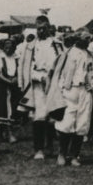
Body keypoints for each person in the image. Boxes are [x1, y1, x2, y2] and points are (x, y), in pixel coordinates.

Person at [48, 30, 93, 167]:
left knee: (82, 124)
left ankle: (74, 155)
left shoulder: (90, 55)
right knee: (66, 123)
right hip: (70, 90)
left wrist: (92, 87)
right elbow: (57, 72)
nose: (88, 40)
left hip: (85, 92)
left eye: (89, 38)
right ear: (77, 39)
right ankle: (62, 153)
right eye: (85, 38)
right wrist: (60, 90)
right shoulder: (68, 54)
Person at [18, 14, 63, 159]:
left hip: (54, 82)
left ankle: (50, 146)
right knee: (40, 115)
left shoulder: (56, 44)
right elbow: (27, 68)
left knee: (53, 115)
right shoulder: (31, 46)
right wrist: (40, 77)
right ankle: (39, 149)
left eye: (44, 28)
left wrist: (53, 79)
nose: (41, 31)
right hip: (37, 84)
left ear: (49, 28)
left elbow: (61, 63)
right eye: (39, 29)